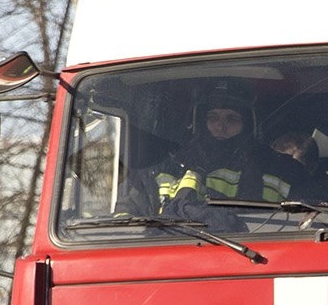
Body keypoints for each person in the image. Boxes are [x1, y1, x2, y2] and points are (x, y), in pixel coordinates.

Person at [133, 79, 313, 216]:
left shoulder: (281, 169)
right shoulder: (167, 169)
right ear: (201, 122)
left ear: (248, 124)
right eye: (213, 118)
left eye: (232, 119)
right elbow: (124, 222)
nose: (221, 127)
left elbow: (316, 214)